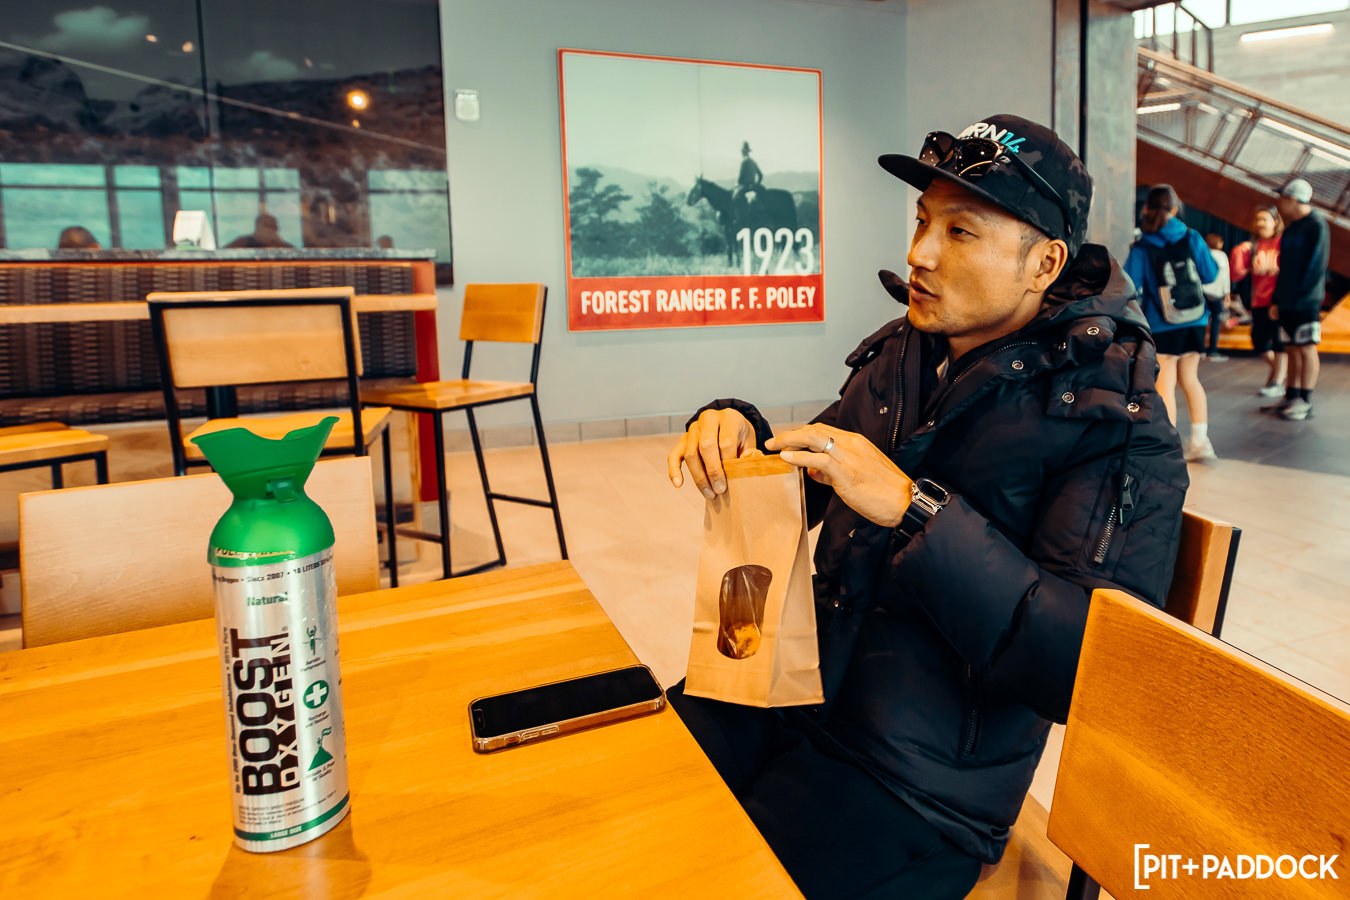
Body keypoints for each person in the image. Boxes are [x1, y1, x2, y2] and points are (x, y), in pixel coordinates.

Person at [666, 114, 1188, 899]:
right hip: (790, 695)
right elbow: (812, 475)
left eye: (961, 231)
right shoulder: (906, 354)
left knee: (698, 878)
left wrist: (916, 511)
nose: (920, 253)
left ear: (1044, 262)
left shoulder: (1112, 418)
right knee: (623, 787)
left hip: (918, 788)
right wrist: (737, 431)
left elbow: (1083, 671)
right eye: (921, 222)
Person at [1124, 185, 1220, 462]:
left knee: (1165, 382)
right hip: (1195, 319)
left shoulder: (1143, 245)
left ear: (1147, 209)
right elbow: (1210, 274)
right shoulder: (1192, 236)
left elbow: (1131, 284)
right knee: (1190, 379)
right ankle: (1200, 442)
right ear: (1175, 209)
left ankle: (1170, 447)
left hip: (1162, 322)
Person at [1267, 178, 1330, 421]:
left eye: (1282, 198)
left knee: (1306, 348)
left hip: (1306, 301)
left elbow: (1316, 266)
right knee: (1291, 348)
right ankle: (1290, 395)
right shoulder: (1291, 228)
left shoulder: (1317, 225)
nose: (1279, 202)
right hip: (1286, 301)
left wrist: (1302, 297)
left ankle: (1305, 400)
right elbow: (1283, 266)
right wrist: (1277, 299)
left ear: (1293, 199)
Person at [1230, 205, 1285, 397]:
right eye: (1258, 219)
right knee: (1259, 342)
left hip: (1278, 301)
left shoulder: (1282, 243)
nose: (1261, 223)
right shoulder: (1252, 246)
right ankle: (1280, 373)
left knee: (1279, 343)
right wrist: (1239, 253)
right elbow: (1236, 275)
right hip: (1258, 301)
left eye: (1265, 219)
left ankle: (1277, 380)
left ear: (1275, 222)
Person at [1201, 233, 1230, 361]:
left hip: (1202, 292)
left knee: (1201, 321)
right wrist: (1227, 294)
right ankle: (1212, 350)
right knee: (1215, 322)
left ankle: (1200, 350)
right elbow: (1225, 277)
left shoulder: (1203, 254)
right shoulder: (1222, 256)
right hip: (1216, 293)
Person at [226, 213, 294, 249]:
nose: (270, 230)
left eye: (273, 227)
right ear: (258, 227)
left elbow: (294, 254)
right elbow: (224, 254)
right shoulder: (242, 242)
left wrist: (281, 245)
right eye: (267, 225)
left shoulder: (282, 246)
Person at [734, 140, 763, 204]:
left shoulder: (744, 162)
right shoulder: (753, 162)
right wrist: (756, 184)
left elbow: (741, 176)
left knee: (735, 198)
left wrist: (738, 183)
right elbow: (760, 175)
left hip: (745, 186)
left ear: (743, 152)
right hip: (753, 185)